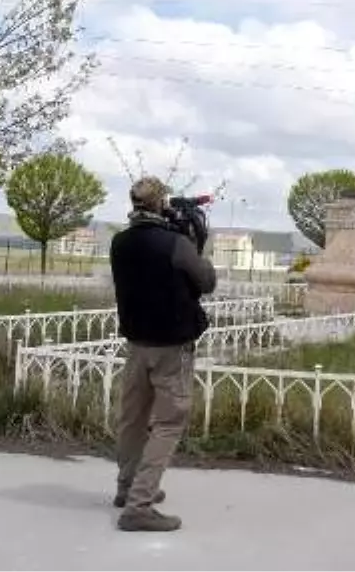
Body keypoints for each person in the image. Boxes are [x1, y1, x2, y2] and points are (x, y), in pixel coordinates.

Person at [109, 176, 217, 532]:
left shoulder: (120, 242)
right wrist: (193, 242)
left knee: (133, 418)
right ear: (160, 203)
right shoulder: (175, 244)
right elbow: (206, 281)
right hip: (171, 346)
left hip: (136, 343)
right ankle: (140, 505)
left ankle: (127, 489)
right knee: (168, 424)